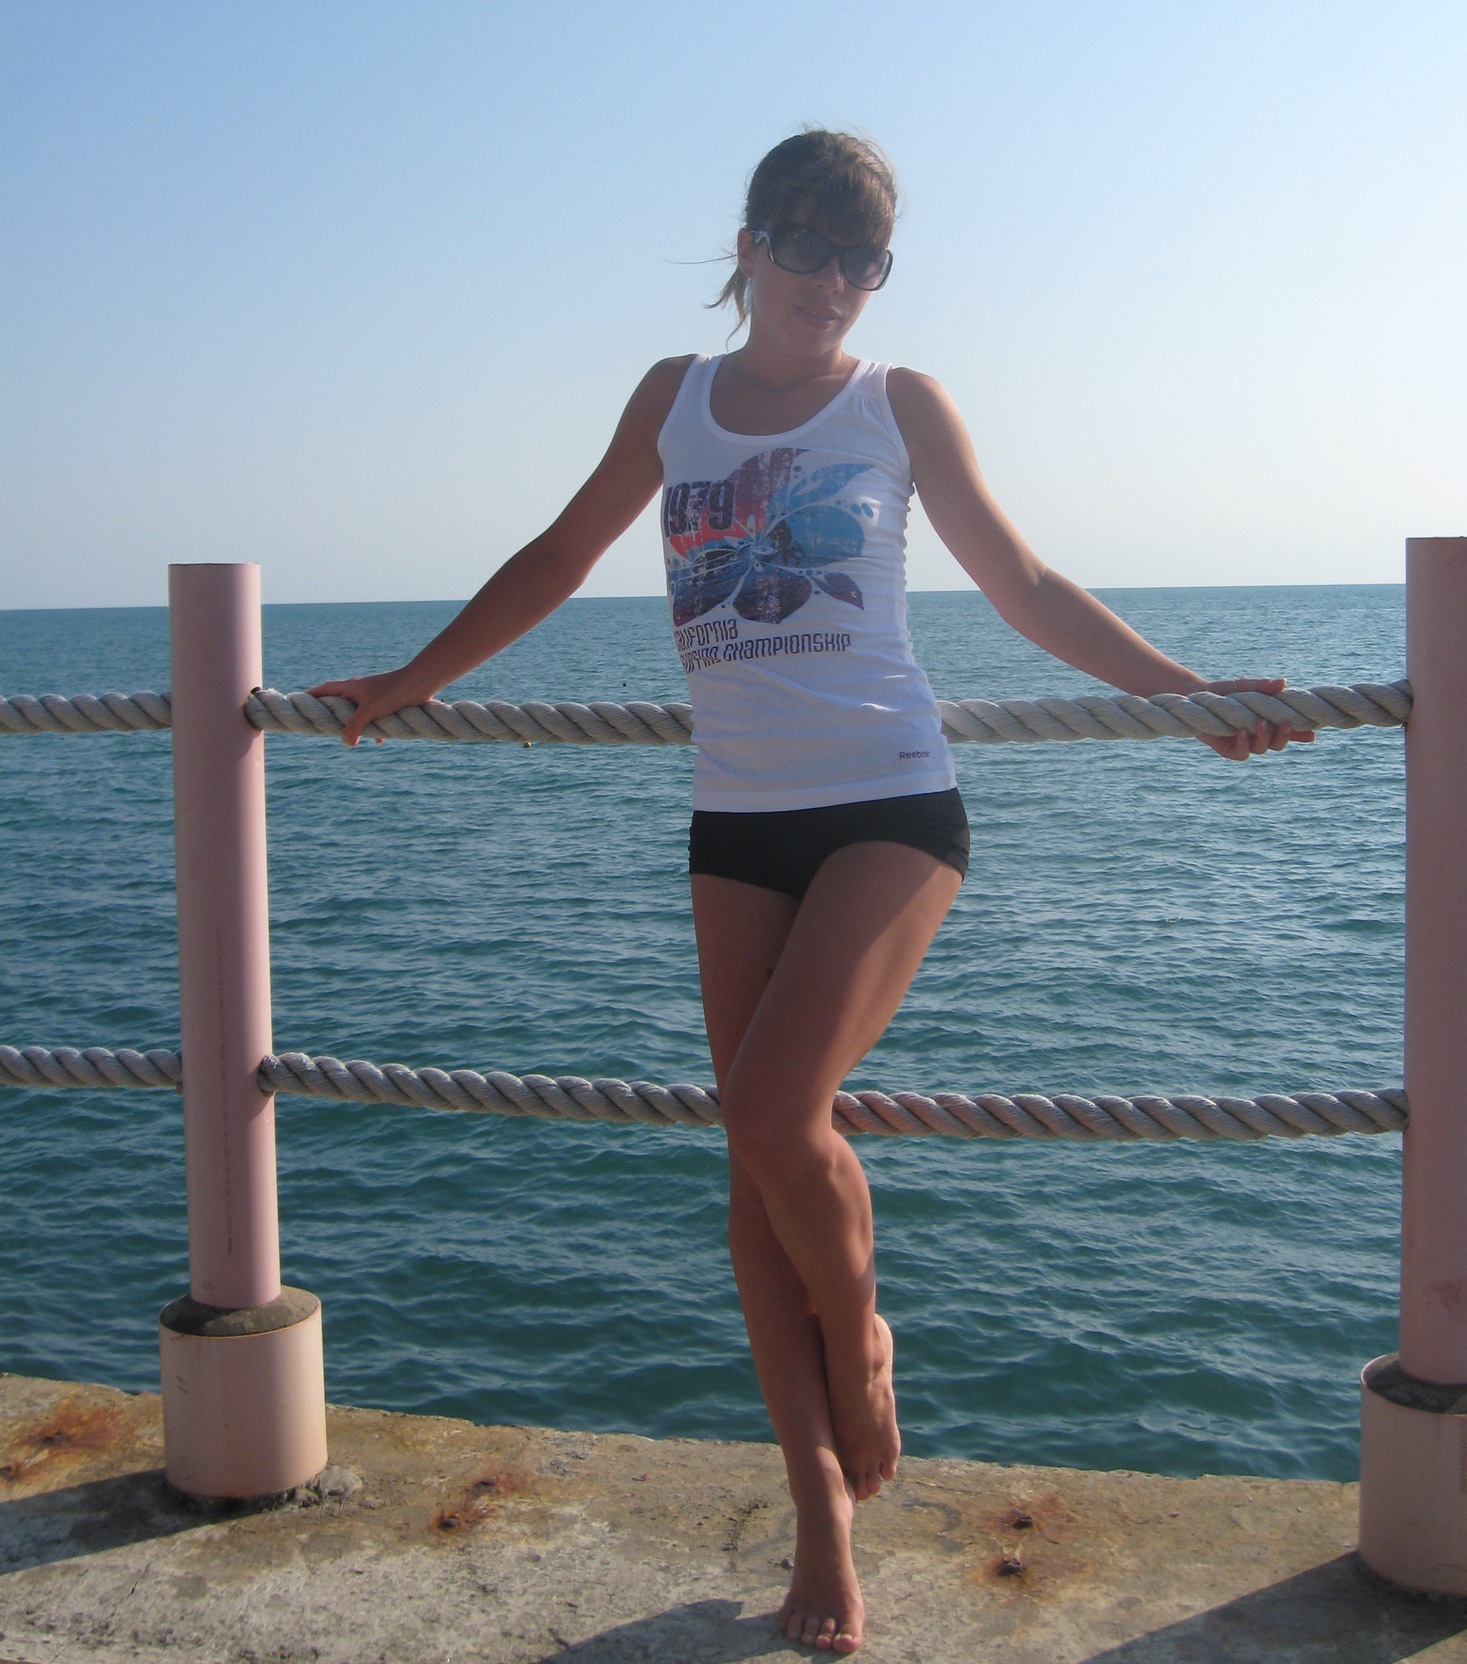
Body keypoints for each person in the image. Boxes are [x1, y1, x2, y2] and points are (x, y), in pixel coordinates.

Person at [312, 130, 1309, 1655]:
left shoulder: (898, 403)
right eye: (806, 244)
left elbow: (1024, 584)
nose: (832, 280)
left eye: (863, 258)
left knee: (777, 1113)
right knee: (751, 1167)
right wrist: (412, 676)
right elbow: (562, 551)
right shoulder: (673, 398)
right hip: (737, 822)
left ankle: (863, 1339)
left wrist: (1186, 697)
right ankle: (820, 1516)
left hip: (890, 806)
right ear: (749, 246)